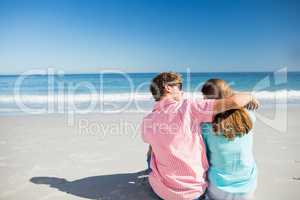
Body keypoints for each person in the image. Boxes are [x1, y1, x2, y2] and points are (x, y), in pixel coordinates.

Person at [140, 72, 259, 200]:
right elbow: (234, 102)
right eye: (179, 86)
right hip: (192, 193)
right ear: (168, 87)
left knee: (152, 149)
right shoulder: (189, 107)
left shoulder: (147, 120)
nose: (182, 91)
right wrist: (250, 96)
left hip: (162, 192)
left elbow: (147, 139)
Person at [201, 79, 257, 200]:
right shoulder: (249, 116)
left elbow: (204, 157)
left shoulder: (205, 126)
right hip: (247, 183)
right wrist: (249, 97)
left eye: (205, 98)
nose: (204, 101)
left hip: (219, 185)